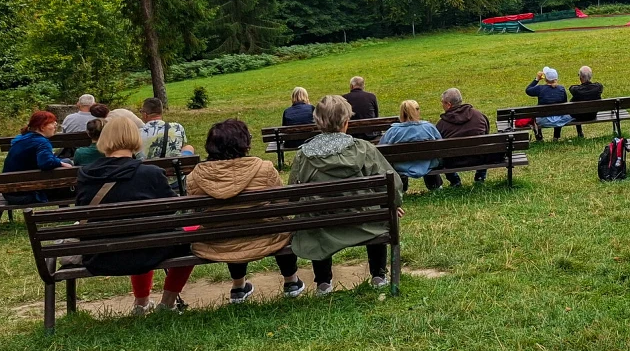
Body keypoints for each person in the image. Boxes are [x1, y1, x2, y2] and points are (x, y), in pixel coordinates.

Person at [76, 110, 192, 315]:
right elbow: (173, 207)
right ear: (135, 138)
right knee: (187, 236)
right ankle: (167, 303)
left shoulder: (85, 174)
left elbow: (81, 212)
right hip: (148, 250)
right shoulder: (151, 173)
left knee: (143, 233)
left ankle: (141, 304)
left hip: (100, 255)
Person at [289, 94, 405, 292]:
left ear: (317, 122)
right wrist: (393, 204)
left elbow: (293, 194)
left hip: (321, 225)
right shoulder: (363, 148)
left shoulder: (304, 155)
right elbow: (392, 185)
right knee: (377, 212)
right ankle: (378, 275)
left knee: (315, 217)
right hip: (364, 222)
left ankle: (324, 282)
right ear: (346, 122)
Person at [186, 119, 301, 303]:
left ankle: (238, 287)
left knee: (230, 227)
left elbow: (196, 211)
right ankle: (291, 281)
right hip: (266, 236)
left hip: (220, 240)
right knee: (281, 224)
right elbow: (282, 203)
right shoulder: (264, 168)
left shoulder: (195, 177)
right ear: (244, 143)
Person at [3, 110, 74, 205]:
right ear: (42, 127)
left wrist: (60, 162)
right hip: (26, 194)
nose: (55, 125)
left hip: (10, 191)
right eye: (52, 123)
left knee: (65, 161)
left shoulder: (22, 138)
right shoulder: (41, 142)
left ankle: (64, 208)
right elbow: (46, 163)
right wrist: (60, 163)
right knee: (66, 166)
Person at [379, 100, 444, 190]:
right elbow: (441, 144)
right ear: (417, 111)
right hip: (427, 164)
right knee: (428, 159)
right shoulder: (428, 128)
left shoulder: (393, 131)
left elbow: (381, 149)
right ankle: (435, 185)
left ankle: (401, 188)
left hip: (401, 165)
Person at [436, 87, 490, 186]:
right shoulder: (479, 116)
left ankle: (454, 180)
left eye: (442, 102)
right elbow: (486, 134)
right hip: (479, 158)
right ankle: (480, 176)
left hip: (452, 162)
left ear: (448, 104)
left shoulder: (441, 124)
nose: (442, 105)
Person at [525, 67, 572, 140]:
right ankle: (556, 137)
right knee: (559, 112)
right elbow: (564, 104)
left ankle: (539, 137)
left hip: (543, 120)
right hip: (559, 120)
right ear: (556, 79)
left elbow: (528, 90)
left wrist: (537, 79)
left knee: (536, 116)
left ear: (545, 79)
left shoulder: (540, 88)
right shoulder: (561, 89)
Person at [569, 66, 605, 134]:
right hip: (592, 114)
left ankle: (579, 132)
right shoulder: (598, 87)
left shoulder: (576, 90)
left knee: (576, 106)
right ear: (591, 76)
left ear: (580, 77)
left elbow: (572, 88)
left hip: (579, 116)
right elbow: (598, 84)